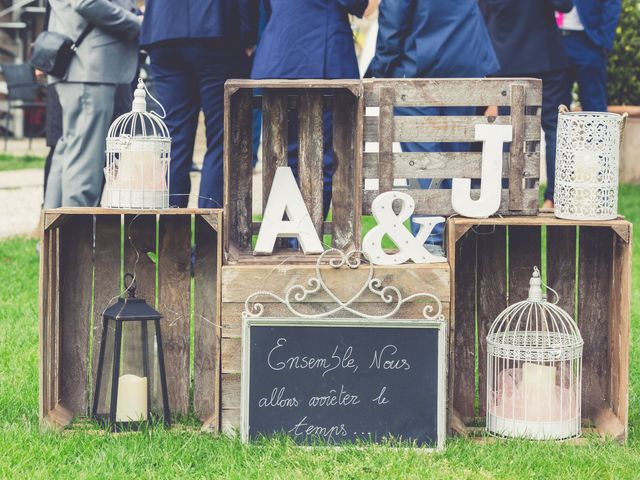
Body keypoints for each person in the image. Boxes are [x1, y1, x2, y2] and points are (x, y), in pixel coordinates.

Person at [365, 0, 499, 249]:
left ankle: (432, 240)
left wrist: (379, 69)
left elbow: (394, 17)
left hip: (420, 68)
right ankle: (457, 242)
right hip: (466, 61)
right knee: (456, 160)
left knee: (423, 163)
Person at [251, 0, 368, 218]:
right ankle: (308, 236)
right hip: (324, 57)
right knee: (323, 155)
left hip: (279, 57)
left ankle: (288, 235)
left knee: (284, 154)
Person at [140, 0, 259, 208]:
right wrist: (249, 35)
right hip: (217, 32)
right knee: (222, 137)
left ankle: (174, 236)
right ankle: (209, 235)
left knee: (174, 139)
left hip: (163, 32)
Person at [44, 0, 141, 209]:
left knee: (69, 151)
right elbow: (87, 2)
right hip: (89, 67)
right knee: (85, 161)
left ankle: (54, 238)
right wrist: (138, 24)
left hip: (82, 67)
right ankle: (78, 236)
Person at [480, 0, 573, 209]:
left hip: (504, 59)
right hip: (545, 56)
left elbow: (481, 15)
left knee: (506, 130)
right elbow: (565, 5)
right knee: (554, 127)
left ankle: (503, 197)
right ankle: (555, 198)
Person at [558, 0, 621, 113]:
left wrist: (603, 40)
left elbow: (612, 4)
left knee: (594, 105)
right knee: (556, 105)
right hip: (554, 39)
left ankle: (599, 131)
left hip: (588, 41)